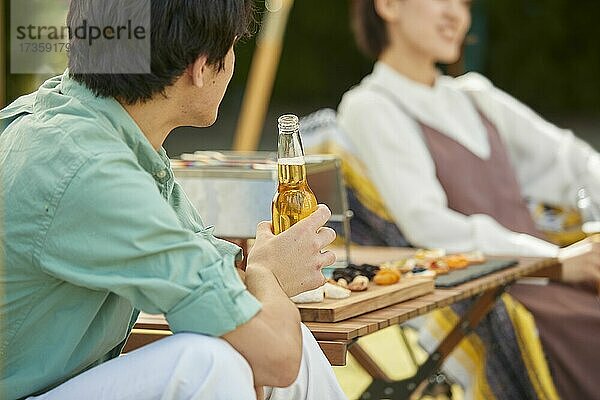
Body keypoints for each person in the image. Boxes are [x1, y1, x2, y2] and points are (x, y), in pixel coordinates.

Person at [0, 1, 347, 399]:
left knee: (258, 346)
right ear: (201, 68)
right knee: (207, 365)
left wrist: (259, 272)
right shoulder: (89, 169)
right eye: (231, 49)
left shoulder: (99, 128)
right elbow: (276, 357)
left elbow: (218, 279)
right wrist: (268, 273)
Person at [337, 0, 600, 399]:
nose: (457, 14)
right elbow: (429, 224)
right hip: (503, 294)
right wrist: (554, 262)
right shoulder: (371, 107)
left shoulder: (475, 96)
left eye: (463, 3)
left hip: (556, 278)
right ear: (388, 5)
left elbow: (573, 163)